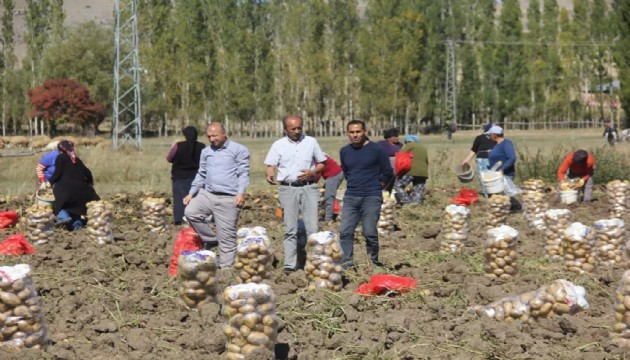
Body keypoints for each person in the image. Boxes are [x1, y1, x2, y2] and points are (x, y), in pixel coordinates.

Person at [264, 115, 326, 273]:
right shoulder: (278, 145)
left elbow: (322, 163)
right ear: (285, 129)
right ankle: (290, 265)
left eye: (299, 128)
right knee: (290, 229)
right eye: (293, 129)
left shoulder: (311, 141)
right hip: (288, 189)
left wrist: (313, 171)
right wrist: (269, 173)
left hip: (308, 188)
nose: (297, 131)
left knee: (312, 228)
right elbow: (271, 165)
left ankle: (314, 262)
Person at [184, 122, 250, 269]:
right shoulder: (206, 152)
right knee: (190, 212)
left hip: (228, 197)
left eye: (215, 136)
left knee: (226, 237)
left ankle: (226, 270)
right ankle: (211, 240)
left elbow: (243, 173)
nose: (212, 139)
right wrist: (191, 193)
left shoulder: (239, 150)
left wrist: (241, 193)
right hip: (207, 194)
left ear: (224, 134)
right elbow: (201, 173)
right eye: (209, 136)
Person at [339, 120, 394, 270]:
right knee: (345, 231)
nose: (355, 135)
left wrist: (377, 186)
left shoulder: (377, 150)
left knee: (369, 231)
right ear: (348, 133)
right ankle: (347, 264)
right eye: (352, 132)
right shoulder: (344, 151)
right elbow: (346, 171)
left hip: (371, 196)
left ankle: (373, 262)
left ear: (365, 132)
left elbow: (388, 172)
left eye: (358, 131)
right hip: (351, 196)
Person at [48, 140, 100, 231]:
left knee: (62, 206)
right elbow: (88, 173)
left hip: (66, 192)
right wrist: (89, 184)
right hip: (82, 193)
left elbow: (57, 174)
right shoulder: (76, 159)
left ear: (60, 150)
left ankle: (63, 219)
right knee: (76, 210)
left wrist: (48, 183)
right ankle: (77, 225)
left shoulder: (60, 158)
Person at [166, 126, 205, 225]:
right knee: (196, 199)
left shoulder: (178, 146)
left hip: (179, 177)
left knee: (179, 199)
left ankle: (179, 220)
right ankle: (196, 219)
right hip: (197, 177)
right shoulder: (202, 146)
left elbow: (169, 158)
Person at [486, 125, 522, 212]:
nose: (489, 137)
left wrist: (502, 169)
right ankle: (502, 210)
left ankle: (517, 207)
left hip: (505, 174)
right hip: (496, 174)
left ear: (495, 135)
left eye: (490, 135)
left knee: (504, 194)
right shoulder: (496, 144)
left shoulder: (506, 144)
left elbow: (512, 158)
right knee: (498, 194)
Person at [461, 123, 496, 197]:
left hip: (494, 160)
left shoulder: (497, 138)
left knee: (494, 177)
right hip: (482, 160)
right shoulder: (479, 138)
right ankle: (487, 194)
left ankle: (494, 193)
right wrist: (467, 160)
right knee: (483, 177)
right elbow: (474, 150)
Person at [393, 135, 428, 205]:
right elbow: (426, 161)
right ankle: (415, 207)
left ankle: (407, 202)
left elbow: (401, 154)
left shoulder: (410, 145)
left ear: (408, 141)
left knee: (398, 185)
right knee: (418, 190)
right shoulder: (423, 148)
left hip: (411, 171)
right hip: (423, 173)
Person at [315, 154, 344, 222]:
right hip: (334, 173)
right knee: (327, 194)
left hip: (334, 174)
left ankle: (328, 219)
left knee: (328, 197)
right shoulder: (317, 153)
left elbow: (317, 174)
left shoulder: (315, 156)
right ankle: (331, 214)